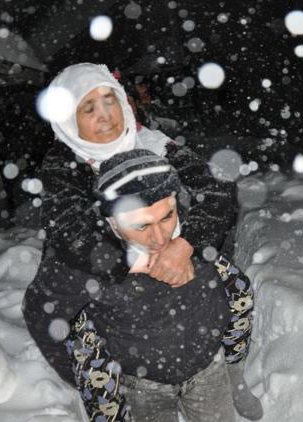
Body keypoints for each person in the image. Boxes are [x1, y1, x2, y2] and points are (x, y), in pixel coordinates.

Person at [21, 63, 260, 419]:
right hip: (102, 265)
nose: (106, 117)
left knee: (237, 293)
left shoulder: (148, 139)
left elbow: (217, 188)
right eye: (88, 108)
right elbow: (70, 232)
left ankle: (233, 372)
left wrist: (184, 245)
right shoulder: (64, 163)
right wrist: (138, 259)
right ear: (69, 120)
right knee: (93, 357)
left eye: (110, 101)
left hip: (173, 242)